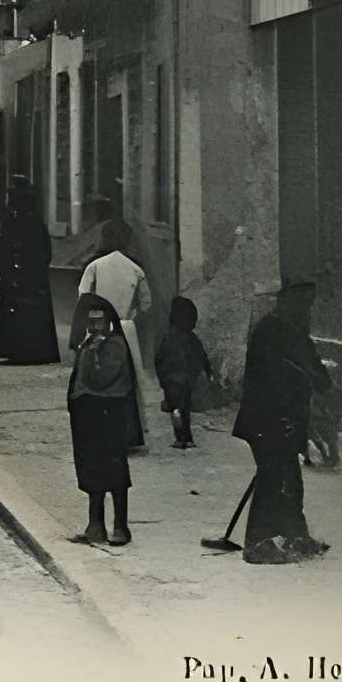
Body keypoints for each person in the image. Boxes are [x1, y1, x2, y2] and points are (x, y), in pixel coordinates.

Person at [233, 282, 331, 565]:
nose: (308, 311)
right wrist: (318, 379)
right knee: (272, 478)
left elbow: (312, 368)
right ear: (289, 303)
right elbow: (302, 370)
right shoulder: (274, 331)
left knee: (289, 478)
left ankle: (295, 534)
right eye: (305, 305)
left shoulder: (288, 329)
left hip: (282, 419)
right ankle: (257, 544)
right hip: (268, 418)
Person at [67, 294, 139, 547]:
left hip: (109, 414)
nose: (95, 326)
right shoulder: (88, 345)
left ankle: (120, 526)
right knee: (90, 470)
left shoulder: (115, 345)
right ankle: (94, 525)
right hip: (87, 415)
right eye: (91, 321)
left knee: (114, 469)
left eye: (99, 321)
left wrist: (93, 352)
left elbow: (101, 378)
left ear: (108, 322)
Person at [76, 221, 152, 447]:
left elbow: (83, 297)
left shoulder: (95, 266)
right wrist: (131, 314)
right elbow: (146, 303)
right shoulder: (136, 268)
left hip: (99, 326)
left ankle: (98, 432)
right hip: (126, 328)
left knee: (96, 378)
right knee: (128, 380)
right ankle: (128, 433)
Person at [0, 177, 62, 364]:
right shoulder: (19, 219)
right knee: (17, 313)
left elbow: (40, 251)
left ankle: (27, 353)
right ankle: (18, 351)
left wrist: (25, 267)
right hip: (21, 275)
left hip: (28, 277)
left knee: (26, 313)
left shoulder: (30, 221)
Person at [155, 294, 212, 449]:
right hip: (186, 380)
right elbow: (202, 355)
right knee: (185, 409)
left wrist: (161, 379)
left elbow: (159, 359)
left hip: (171, 381)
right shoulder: (191, 337)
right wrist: (207, 371)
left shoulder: (167, 336)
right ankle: (188, 437)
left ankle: (180, 438)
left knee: (174, 410)